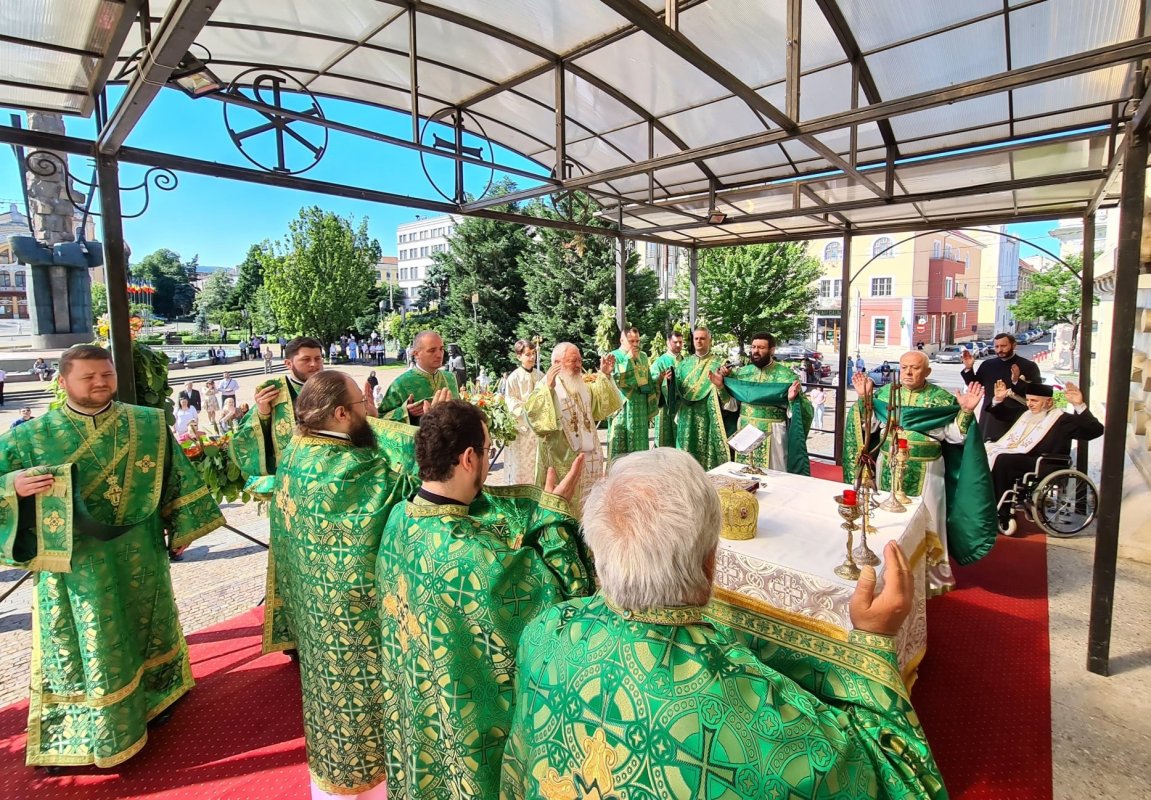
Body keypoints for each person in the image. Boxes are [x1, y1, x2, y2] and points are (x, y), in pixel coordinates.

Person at [501, 448, 947, 800]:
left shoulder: (545, 633)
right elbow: (894, 777)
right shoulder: (761, 713)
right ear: (712, 561)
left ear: (599, 548)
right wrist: (873, 643)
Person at [0, 344, 224, 768]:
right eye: (88, 377)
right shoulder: (30, 436)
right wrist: (12, 485)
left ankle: (157, 697)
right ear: (62, 382)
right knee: (87, 638)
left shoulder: (149, 424)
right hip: (73, 565)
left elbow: (175, 475)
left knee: (146, 624)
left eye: (106, 374)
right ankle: (84, 722)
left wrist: (184, 528)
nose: (100, 383)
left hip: (140, 552)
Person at [377, 400, 594, 800]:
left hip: (422, 714)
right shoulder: (476, 558)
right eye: (488, 449)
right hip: (471, 736)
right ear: (468, 458)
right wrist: (553, 514)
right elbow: (566, 605)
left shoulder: (398, 521)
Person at [271, 371, 425, 800]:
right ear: (340, 414)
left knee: (328, 713)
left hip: (315, 623)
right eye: (362, 405)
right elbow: (412, 490)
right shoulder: (357, 471)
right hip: (357, 629)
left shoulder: (296, 452)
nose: (370, 412)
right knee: (367, 723)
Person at [845, 350, 996, 595]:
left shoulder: (942, 399)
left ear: (927, 371)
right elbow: (869, 427)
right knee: (887, 519)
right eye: (904, 367)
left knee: (928, 520)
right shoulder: (885, 395)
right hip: (888, 467)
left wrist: (966, 412)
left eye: (914, 368)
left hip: (928, 469)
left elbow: (956, 437)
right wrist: (864, 400)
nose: (908, 372)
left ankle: (928, 579)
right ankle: (885, 569)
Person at [229, 336, 329, 652]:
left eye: (318, 358)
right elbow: (242, 445)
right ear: (289, 363)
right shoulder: (272, 393)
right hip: (291, 501)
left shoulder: (330, 388)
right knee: (293, 567)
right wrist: (260, 414)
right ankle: (293, 637)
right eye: (306, 360)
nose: (314, 365)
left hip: (330, 496)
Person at [985, 381, 1103, 529]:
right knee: (988, 451)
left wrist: (1079, 405)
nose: (1029, 404)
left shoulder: (1062, 419)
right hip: (1023, 458)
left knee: (1003, 460)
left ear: (1049, 401)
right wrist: (999, 399)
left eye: (1034, 400)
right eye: (1027, 400)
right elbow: (1002, 413)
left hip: (1046, 462)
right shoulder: (1026, 414)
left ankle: (1002, 512)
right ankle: (986, 505)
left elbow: (1096, 430)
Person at [525, 342, 622, 513]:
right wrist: (548, 387)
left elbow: (600, 407)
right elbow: (534, 417)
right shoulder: (545, 387)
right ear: (556, 363)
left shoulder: (580, 385)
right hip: (561, 463)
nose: (578, 365)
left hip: (588, 462)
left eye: (580, 361)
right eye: (572, 361)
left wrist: (605, 375)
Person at [723, 332, 813, 474]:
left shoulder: (786, 375)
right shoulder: (741, 373)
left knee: (774, 475)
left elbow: (805, 409)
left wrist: (792, 400)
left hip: (773, 430)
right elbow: (732, 405)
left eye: (761, 347)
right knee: (744, 475)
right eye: (753, 347)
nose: (756, 351)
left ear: (772, 350)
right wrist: (721, 386)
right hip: (745, 428)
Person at [961, 332, 1042, 441]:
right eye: (996, 346)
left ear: (1013, 345)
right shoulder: (988, 365)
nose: (999, 349)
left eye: (1003, 346)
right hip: (991, 417)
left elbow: (1037, 392)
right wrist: (968, 368)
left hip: (1016, 417)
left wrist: (1016, 381)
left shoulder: (1028, 366)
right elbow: (975, 384)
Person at [674, 327, 731, 470]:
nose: (699, 341)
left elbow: (727, 398)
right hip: (686, 416)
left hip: (708, 416)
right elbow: (675, 392)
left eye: (703, 338)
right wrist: (668, 381)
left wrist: (721, 384)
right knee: (685, 456)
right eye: (696, 338)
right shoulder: (683, 364)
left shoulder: (721, 364)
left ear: (709, 340)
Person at [377, 330, 459, 424]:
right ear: (416, 354)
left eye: (441, 349)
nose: (439, 355)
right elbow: (381, 418)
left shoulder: (450, 378)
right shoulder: (400, 384)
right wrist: (405, 412)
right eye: (432, 350)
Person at [607, 326, 659, 459]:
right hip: (623, 406)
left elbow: (647, 379)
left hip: (640, 407)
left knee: (640, 448)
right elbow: (617, 378)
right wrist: (629, 359)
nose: (635, 344)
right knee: (621, 446)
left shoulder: (643, 356)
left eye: (637, 341)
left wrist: (658, 381)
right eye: (631, 341)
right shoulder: (614, 356)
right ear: (622, 340)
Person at [503, 339, 544, 485]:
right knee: (522, 467)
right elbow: (511, 401)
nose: (532, 357)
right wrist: (528, 408)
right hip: (523, 429)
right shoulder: (514, 377)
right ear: (519, 356)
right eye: (528, 354)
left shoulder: (540, 376)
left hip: (538, 429)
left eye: (533, 354)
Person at [650, 330, 684, 447]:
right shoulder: (660, 361)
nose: (678, 345)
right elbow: (651, 380)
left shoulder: (685, 361)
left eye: (680, 342)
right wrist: (663, 379)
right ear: (668, 343)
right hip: (665, 406)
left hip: (681, 405)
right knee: (665, 439)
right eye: (675, 342)